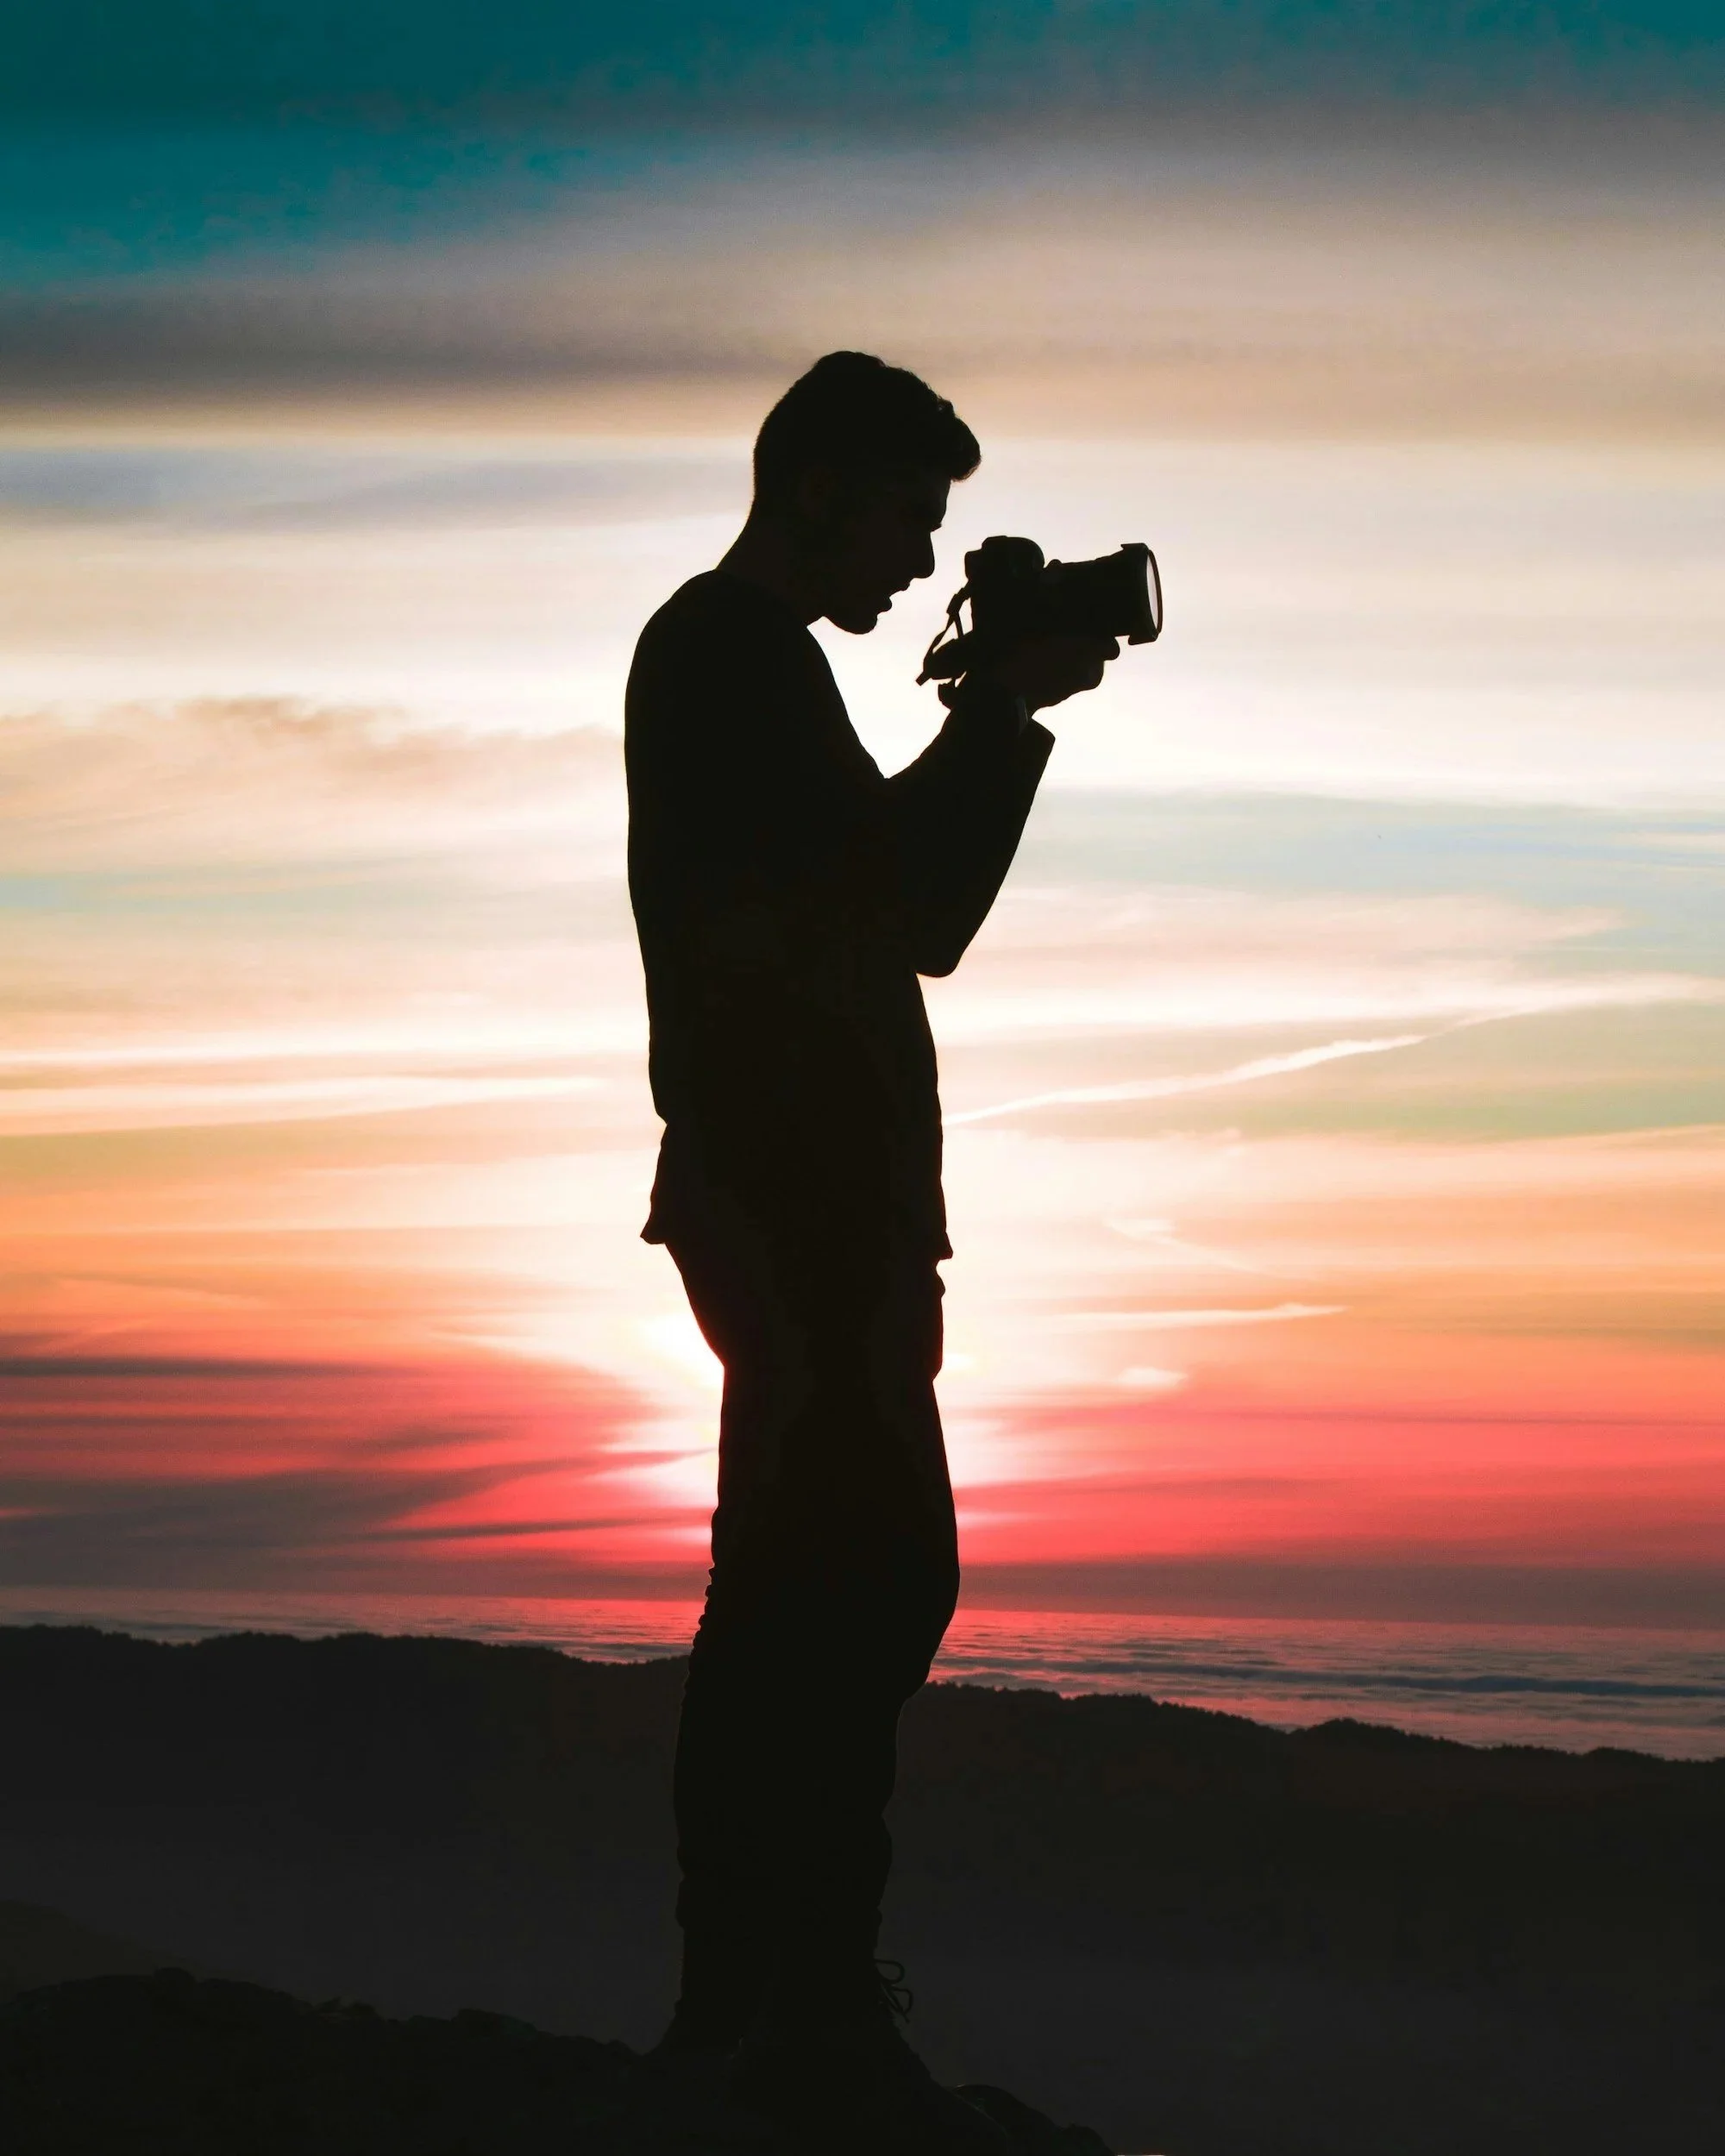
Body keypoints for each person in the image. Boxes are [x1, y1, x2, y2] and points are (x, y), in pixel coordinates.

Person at [624, 351, 1118, 2153]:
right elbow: (906, 910)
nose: (918, 558)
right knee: (836, 1585)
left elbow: (886, 905)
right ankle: (779, 2014)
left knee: (825, 1586)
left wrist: (999, 714)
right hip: (795, 1196)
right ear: (821, 485)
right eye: (907, 515)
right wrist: (999, 717)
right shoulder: (726, 655)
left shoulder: (750, 668)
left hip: (811, 1198)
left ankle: (769, 2003)